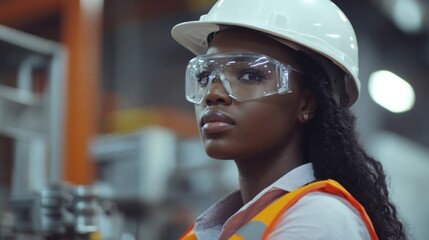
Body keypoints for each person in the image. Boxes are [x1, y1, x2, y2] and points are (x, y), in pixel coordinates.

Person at [171, 0, 406, 239]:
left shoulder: (318, 219)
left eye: (250, 75)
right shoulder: (219, 228)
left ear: (306, 103)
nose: (213, 94)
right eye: (204, 77)